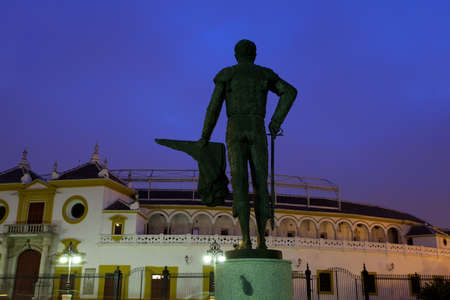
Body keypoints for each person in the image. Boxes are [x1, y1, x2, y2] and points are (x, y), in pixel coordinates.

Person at [199, 39, 297, 249]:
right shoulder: (264, 74)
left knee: (240, 183)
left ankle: (246, 240)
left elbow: (213, 108)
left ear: (236, 55)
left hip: (235, 128)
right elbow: (289, 92)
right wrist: (275, 121)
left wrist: (204, 137)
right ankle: (262, 240)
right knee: (261, 184)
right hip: (257, 127)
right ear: (255, 55)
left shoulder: (227, 74)